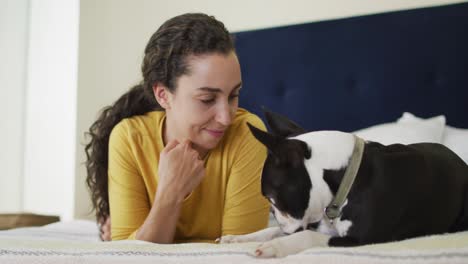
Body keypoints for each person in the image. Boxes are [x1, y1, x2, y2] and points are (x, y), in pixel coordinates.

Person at [85, 13, 270, 243]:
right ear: (163, 95)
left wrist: (146, 235)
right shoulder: (129, 139)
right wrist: (170, 193)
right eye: (207, 99)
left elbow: (238, 254)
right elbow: (127, 256)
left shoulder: (248, 134)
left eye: (234, 95)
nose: (225, 117)